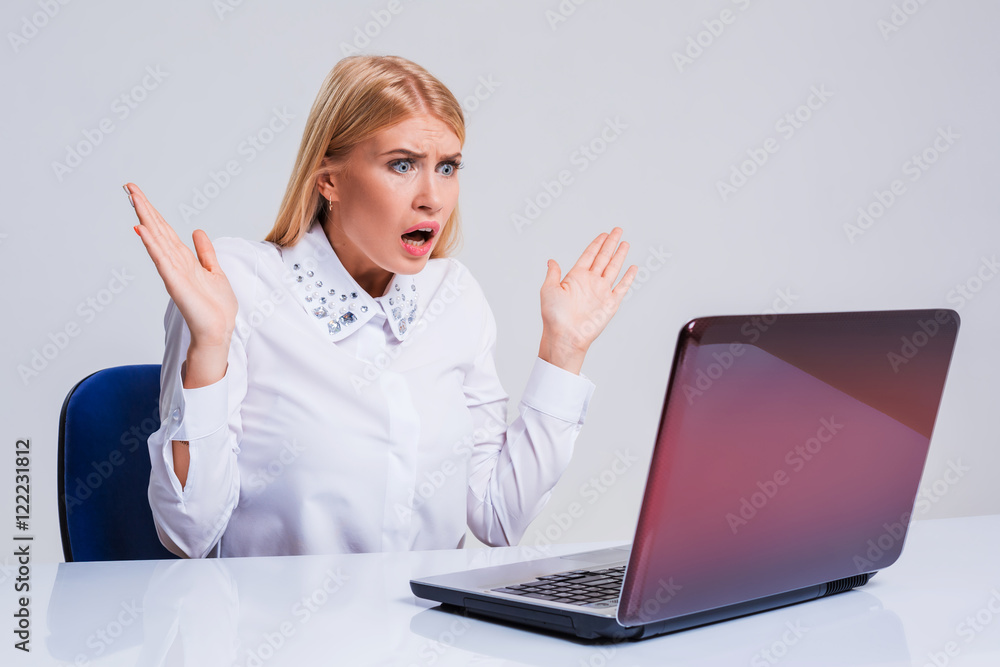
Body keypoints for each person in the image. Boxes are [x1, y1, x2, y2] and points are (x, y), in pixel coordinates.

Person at [127, 55, 637, 558]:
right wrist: (209, 346)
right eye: (401, 164)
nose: (432, 198)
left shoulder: (454, 297)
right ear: (328, 179)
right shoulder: (236, 286)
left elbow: (499, 518)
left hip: (428, 634)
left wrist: (562, 353)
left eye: (447, 167)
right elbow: (187, 535)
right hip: (276, 637)